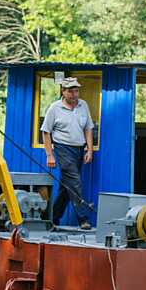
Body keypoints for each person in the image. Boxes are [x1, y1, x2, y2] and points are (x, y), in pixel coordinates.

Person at [40, 77, 94, 230]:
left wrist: (89, 150)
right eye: (70, 91)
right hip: (63, 149)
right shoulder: (54, 108)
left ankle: (52, 217)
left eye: (76, 91)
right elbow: (46, 132)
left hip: (79, 149)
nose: (74, 94)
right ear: (63, 91)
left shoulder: (83, 105)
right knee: (75, 182)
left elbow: (88, 128)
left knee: (66, 187)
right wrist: (50, 155)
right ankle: (83, 218)